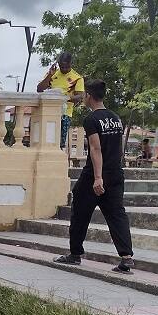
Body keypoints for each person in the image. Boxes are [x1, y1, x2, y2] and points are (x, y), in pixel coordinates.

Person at [54, 80, 134, 273]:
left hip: (95, 175)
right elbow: (116, 147)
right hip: (115, 172)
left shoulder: (91, 119)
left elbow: (95, 148)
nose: (83, 98)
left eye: (84, 95)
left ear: (89, 95)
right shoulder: (115, 118)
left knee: (80, 211)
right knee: (117, 214)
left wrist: (98, 178)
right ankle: (126, 257)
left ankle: (75, 254)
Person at [36, 51, 84, 153]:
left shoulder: (77, 78)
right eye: (62, 67)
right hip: (49, 111)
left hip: (65, 113)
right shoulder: (53, 74)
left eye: (67, 67)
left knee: (59, 142)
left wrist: (64, 98)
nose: (64, 69)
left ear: (71, 63)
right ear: (58, 64)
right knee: (46, 140)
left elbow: (80, 96)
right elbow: (39, 89)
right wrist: (49, 75)